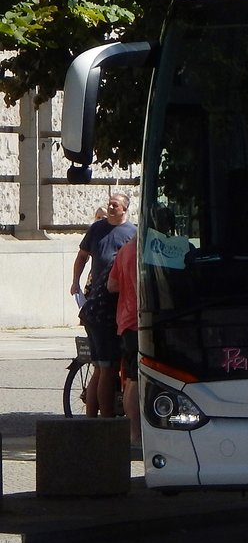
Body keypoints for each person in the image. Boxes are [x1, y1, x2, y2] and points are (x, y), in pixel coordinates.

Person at [70, 193, 135, 418]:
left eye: (115, 205)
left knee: (101, 366)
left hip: (107, 308)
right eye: (109, 204)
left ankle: (92, 420)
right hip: (104, 307)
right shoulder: (97, 229)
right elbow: (82, 256)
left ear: (125, 208)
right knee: (106, 367)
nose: (110, 207)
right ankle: (105, 423)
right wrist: (75, 282)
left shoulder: (131, 234)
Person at [107, 236, 141, 453]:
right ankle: (135, 433)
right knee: (136, 378)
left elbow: (112, 285)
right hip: (139, 322)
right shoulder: (142, 251)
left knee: (130, 378)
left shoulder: (125, 250)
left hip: (125, 321)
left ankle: (133, 432)